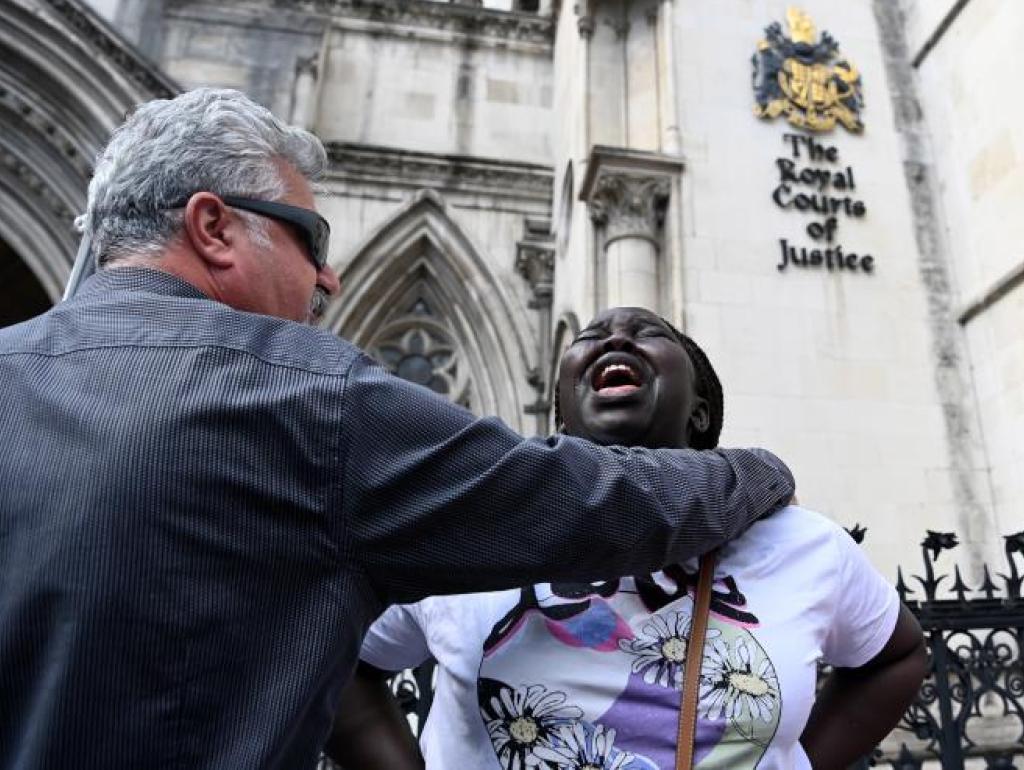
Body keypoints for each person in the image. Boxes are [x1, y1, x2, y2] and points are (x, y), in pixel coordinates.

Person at [0, 89, 797, 769]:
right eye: (310, 239)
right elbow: (588, 502)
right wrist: (755, 470)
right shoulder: (301, 396)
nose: (328, 276)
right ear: (213, 227)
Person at [327, 307, 926, 770]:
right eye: (591, 336)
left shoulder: (804, 544)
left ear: (700, 410)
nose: (615, 339)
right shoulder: (472, 527)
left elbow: (898, 657)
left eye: (648, 333)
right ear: (562, 410)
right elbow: (335, 655)